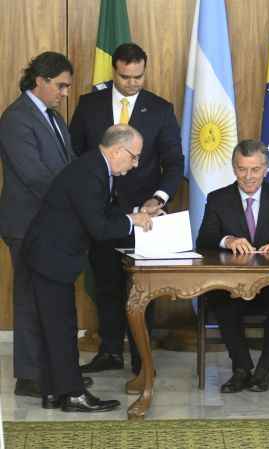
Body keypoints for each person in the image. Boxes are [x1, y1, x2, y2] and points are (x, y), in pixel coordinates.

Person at [69, 43, 184, 375]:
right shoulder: (89, 105)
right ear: (114, 71)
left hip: (143, 217)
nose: (133, 82)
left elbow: (174, 163)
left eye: (139, 76)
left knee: (141, 289)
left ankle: (140, 356)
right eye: (126, 76)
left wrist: (158, 198)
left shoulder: (160, 109)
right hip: (99, 214)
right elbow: (76, 155)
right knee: (105, 285)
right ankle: (110, 352)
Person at [23, 124, 154, 412]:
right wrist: (134, 220)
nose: (135, 163)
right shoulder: (91, 173)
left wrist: (136, 215)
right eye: (134, 157)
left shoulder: (97, 168)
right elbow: (99, 227)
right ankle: (72, 395)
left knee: (55, 326)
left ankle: (53, 391)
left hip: (52, 254)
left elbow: (102, 214)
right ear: (118, 150)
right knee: (60, 326)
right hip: (51, 256)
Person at [195, 139, 269, 393]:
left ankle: (263, 371)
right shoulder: (218, 199)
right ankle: (242, 369)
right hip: (231, 285)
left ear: (266, 168)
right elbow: (203, 239)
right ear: (233, 168)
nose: (248, 177)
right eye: (242, 169)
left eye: (255, 170)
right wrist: (228, 240)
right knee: (221, 301)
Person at [0, 52, 82, 399]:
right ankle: (30, 377)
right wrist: (75, 199)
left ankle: (56, 374)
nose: (65, 93)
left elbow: (69, 167)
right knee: (29, 300)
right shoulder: (16, 118)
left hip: (52, 226)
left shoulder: (54, 118)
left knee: (50, 301)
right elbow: (34, 175)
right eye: (60, 85)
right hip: (27, 225)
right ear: (40, 81)